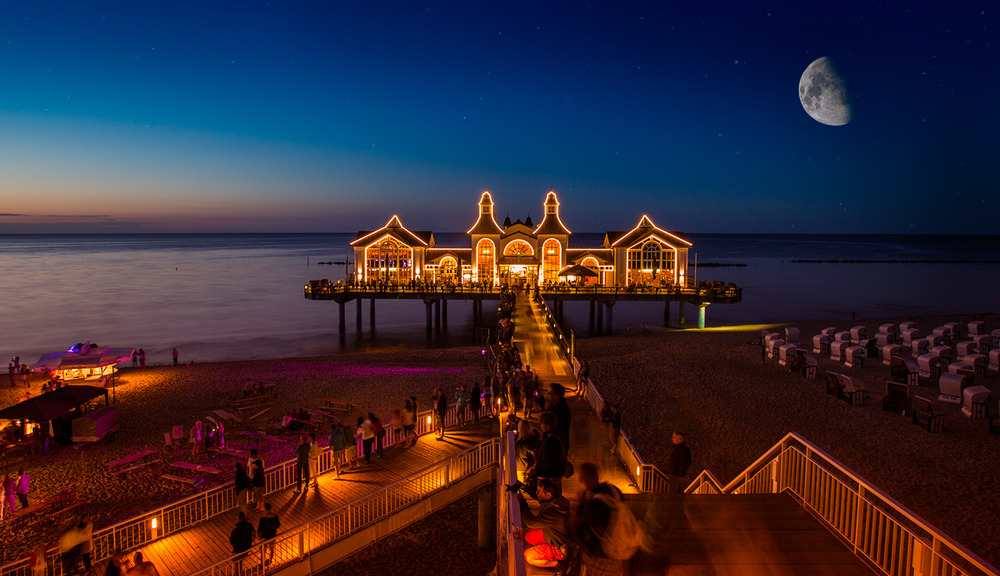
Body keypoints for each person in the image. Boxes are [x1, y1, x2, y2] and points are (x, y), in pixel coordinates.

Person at [571, 462, 624, 576]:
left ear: (591, 478)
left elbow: (578, 527)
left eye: (582, 477)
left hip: (600, 555)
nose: (580, 480)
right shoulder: (614, 491)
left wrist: (580, 504)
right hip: (618, 550)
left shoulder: (594, 504)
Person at [517, 478, 571, 568]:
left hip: (559, 547)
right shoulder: (558, 501)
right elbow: (537, 496)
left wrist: (522, 501)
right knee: (529, 536)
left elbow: (530, 522)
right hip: (555, 535)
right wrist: (523, 487)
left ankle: (559, 564)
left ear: (548, 494)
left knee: (528, 556)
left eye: (538, 491)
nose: (536, 493)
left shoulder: (552, 513)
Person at [524, 412, 566, 498]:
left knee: (547, 498)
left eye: (542, 424)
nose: (540, 426)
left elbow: (547, 460)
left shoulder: (550, 440)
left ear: (548, 425)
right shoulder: (558, 436)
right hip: (556, 474)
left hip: (548, 478)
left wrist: (538, 471)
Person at [545, 383, 571, 452]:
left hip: (558, 445)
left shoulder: (562, 410)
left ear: (556, 395)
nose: (548, 396)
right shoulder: (554, 405)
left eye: (550, 393)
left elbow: (560, 427)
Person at [666, 431, 692, 498]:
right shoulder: (679, 449)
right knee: (677, 493)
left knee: (675, 494)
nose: (672, 439)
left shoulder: (682, 450)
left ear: (679, 439)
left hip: (677, 475)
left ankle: (676, 507)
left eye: (674, 437)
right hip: (675, 474)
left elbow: (685, 462)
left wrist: (677, 470)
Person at [229, 512, 255, 576]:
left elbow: (232, 541)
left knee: (237, 560)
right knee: (240, 560)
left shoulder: (236, 531)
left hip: (239, 548)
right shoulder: (249, 526)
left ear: (239, 519)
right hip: (247, 546)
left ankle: (237, 573)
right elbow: (253, 534)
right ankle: (239, 572)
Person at [257, 502, 281, 566]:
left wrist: (259, 534)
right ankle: (270, 560)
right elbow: (278, 525)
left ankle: (262, 563)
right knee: (272, 548)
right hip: (272, 535)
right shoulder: (275, 516)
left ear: (265, 509)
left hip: (264, 536)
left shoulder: (263, 519)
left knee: (263, 550)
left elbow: (260, 528)